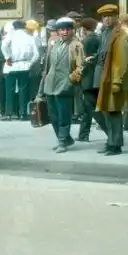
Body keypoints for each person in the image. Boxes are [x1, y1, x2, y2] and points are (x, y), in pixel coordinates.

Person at [38, 17, 84, 153]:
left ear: (72, 30)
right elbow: (47, 66)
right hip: (50, 84)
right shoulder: (54, 44)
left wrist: (71, 80)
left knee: (64, 116)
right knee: (53, 116)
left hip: (65, 85)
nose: (65, 32)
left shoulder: (76, 45)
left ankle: (63, 142)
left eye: (68, 29)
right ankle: (64, 138)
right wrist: (42, 86)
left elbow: (81, 66)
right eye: (62, 29)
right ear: (58, 31)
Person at [95, 4, 128, 156]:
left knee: (114, 112)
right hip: (105, 76)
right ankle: (111, 141)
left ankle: (115, 145)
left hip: (114, 78)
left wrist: (117, 81)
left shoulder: (121, 35)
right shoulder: (106, 33)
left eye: (109, 16)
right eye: (104, 17)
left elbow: (122, 60)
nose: (106, 19)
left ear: (116, 17)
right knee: (106, 111)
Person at [1, 19, 39, 121]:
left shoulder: (11, 36)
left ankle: (9, 113)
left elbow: (4, 46)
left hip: (11, 65)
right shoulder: (30, 37)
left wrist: (7, 57)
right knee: (23, 90)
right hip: (25, 65)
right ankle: (23, 113)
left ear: (14, 27)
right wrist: (30, 63)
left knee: (9, 90)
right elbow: (36, 54)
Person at [77, 18, 104, 141]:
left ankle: (110, 132)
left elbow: (82, 60)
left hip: (88, 78)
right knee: (88, 108)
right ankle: (83, 134)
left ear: (83, 29)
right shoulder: (99, 39)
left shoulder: (86, 41)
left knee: (91, 108)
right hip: (96, 77)